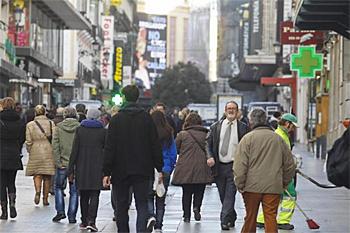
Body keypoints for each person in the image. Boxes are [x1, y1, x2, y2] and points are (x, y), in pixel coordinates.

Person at [103, 85, 163, 233]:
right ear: (137, 98)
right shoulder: (146, 119)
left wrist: (106, 171)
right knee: (142, 204)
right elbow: (154, 144)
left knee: (121, 206)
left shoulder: (116, 120)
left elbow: (109, 147)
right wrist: (159, 167)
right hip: (143, 169)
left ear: (124, 97)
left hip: (120, 170)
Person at [233, 108, 296, 233]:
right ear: (265, 120)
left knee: (250, 217)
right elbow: (290, 165)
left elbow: (239, 165)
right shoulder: (278, 139)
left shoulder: (247, 139)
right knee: (270, 217)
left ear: (251, 121)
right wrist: (283, 183)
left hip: (251, 187)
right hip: (273, 186)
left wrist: (240, 184)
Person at [206, 101, 249, 230]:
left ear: (238, 111)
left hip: (234, 166)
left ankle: (224, 220)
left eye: (233, 109)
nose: (231, 111)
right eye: (229, 108)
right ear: (225, 111)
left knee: (230, 194)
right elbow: (207, 143)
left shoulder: (243, 127)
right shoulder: (215, 127)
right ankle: (232, 216)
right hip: (219, 166)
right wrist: (209, 157)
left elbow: (247, 146)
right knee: (223, 195)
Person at [256, 113, 299, 230]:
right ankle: (283, 221)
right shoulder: (281, 136)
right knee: (290, 196)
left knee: (275, 196)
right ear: (287, 123)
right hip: (282, 172)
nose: (293, 129)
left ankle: (261, 219)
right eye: (293, 126)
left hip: (278, 171)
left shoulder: (279, 134)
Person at [67, 109, 106, 232]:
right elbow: (106, 151)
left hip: (82, 167)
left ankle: (84, 221)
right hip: (97, 167)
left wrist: (70, 170)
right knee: (95, 194)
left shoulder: (80, 130)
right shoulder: (103, 132)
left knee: (83, 195)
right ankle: (92, 221)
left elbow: (74, 151)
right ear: (99, 117)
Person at [172, 112, 212, 223]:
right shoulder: (206, 134)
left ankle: (186, 215)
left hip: (186, 167)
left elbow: (176, 148)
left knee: (186, 192)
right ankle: (197, 207)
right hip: (202, 166)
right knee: (200, 190)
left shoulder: (182, 134)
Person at [148, 110, 177, 232]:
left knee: (148, 196)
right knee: (161, 198)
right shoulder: (168, 132)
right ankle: (159, 225)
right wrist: (169, 167)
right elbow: (173, 152)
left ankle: (150, 215)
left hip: (148, 168)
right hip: (164, 169)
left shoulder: (147, 132)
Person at [52, 107, 80, 223]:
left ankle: (60, 212)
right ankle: (72, 216)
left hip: (63, 163)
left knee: (58, 187)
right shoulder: (80, 127)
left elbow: (55, 146)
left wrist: (58, 162)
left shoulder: (58, 128)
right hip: (76, 164)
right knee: (74, 191)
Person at [0, 98, 25, 219]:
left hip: (1, 155)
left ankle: (4, 211)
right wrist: (18, 147)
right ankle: (12, 204)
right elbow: (22, 138)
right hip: (14, 154)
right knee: (11, 182)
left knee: (1, 183)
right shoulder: (19, 120)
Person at [25, 105, 55, 206]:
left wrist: (30, 150)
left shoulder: (30, 125)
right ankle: (45, 198)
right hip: (48, 150)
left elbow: (28, 141)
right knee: (47, 176)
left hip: (35, 150)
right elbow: (54, 139)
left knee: (37, 174)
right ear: (44, 112)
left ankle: (37, 191)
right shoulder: (51, 123)